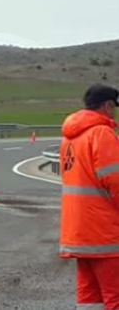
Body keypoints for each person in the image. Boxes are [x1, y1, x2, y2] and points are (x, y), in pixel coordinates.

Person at [59, 83, 119, 309]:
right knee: (115, 296)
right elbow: (115, 180)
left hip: (78, 231)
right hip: (104, 231)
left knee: (89, 297)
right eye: (113, 107)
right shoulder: (102, 133)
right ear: (106, 106)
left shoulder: (70, 138)